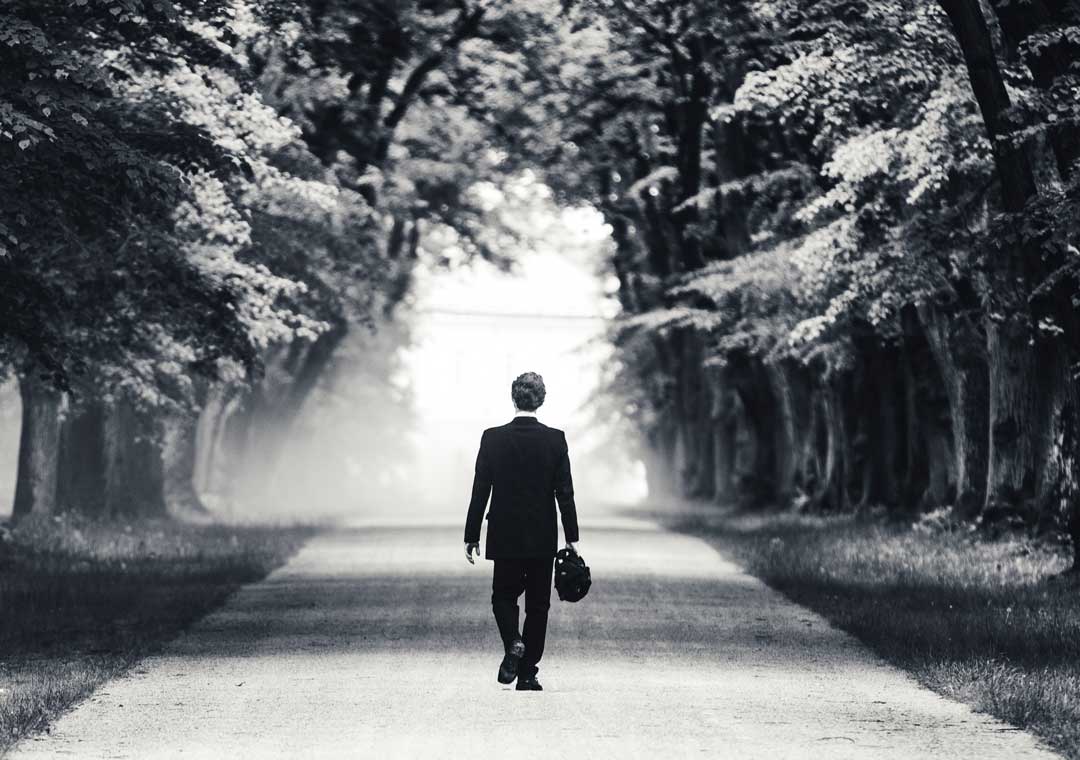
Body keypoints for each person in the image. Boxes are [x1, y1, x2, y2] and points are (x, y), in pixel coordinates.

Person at [463, 371, 580, 691]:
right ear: (541, 400)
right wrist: (572, 537)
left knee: (503, 596)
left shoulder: (492, 437)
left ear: (513, 398)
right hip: (542, 536)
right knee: (538, 605)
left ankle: (513, 642)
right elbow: (564, 492)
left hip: (505, 534)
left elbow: (480, 489)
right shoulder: (555, 439)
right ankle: (528, 673)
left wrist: (471, 534)